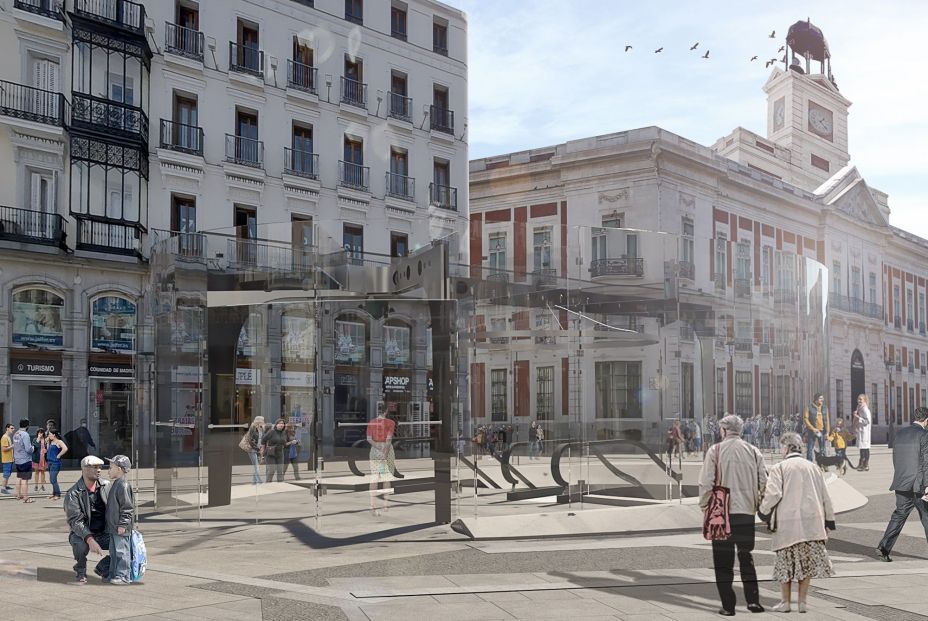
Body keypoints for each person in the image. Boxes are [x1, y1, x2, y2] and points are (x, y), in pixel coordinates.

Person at [698, 414, 767, 616]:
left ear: (724, 430)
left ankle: (728, 606)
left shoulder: (715, 450)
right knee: (746, 557)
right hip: (746, 512)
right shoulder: (754, 451)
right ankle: (753, 602)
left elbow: (706, 483)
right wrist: (760, 505)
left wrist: (705, 507)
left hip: (722, 515)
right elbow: (764, 482)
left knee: (723, 562)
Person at [759, 431, 836, 613]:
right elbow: (826, 496)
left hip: (788, 524)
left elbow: (773, 494)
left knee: (785, 564)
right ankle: (802, 602)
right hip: (811, 523)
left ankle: (785, 602)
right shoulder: (813, 467)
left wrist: (763, 512)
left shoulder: (780, 467)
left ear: (785, 447)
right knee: (806, 564)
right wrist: (829, 521)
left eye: (781, 446)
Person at [875, 406, 928, 562]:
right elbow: (926, 462)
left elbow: (896, 458)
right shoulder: (924, 435)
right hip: (919, 485)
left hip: (901, 482)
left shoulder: (900, 434)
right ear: (926, 420)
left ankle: (883, 548)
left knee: (899, 516)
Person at [64, 456, 111, 584]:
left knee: (128, 543)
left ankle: (104, 567)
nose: (99, 470)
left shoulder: (107, 486)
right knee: (80, 544)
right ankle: (80, 569)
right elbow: (75, 521)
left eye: (100, 467)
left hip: (105, 532)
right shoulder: (73, 493)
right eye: (95, 467)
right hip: (83, 534)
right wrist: (90, 539)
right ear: (84, 469)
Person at [104, 455, 134, 585]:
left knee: (122, 552)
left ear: (120, 469)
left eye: (111, 468)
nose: (109, 470)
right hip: (114, 527)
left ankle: (123, 576)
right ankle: (114, 573)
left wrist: (122, 524)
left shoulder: (123, 485)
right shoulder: (116, 484)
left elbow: (127, 508)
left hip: (120, 527)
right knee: (114, 552)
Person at [367, 402, 396, 515]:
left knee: (374, 477)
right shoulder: (391, 423)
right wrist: (384, 453)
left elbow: (369, 439)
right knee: (386, 477)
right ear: (386, 411)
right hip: (386, 450)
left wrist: (377, 446)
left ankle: (372, 505)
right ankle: (385, 505)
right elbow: (388, 440)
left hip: (374, 451)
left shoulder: (371, 422)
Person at [802, 394, 830, 462]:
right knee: (810, 448)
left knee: (823, 448)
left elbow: (827, 420)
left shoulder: (825, 408)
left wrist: (827, 432)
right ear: (816, 399)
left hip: (822, 431)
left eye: (822, 398)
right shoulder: (809, 407)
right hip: (812, 431)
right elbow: (805, 419)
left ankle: (824, 464)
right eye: (820, 398)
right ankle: (809, 463)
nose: (822, 400)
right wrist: (812, 428)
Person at [12, 419, 35, 503]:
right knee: (25, 479)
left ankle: (18, 495)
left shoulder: (16, 434)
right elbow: (28, 449)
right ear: (27, 426)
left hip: (17, 459)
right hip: (25, 459)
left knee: (19, 477)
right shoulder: (25, 435)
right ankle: (25, 497)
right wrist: (33, 448)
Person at [261, 418, 288, 483]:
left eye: (283, 424)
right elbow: (263, 440)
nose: (281, 425)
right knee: (271, 470)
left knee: (280, 470)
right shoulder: (272, 432)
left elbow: (284, 443)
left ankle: (280, 484)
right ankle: (268, 483)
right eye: (280, 423)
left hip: (280, 453)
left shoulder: (284, 433)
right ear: (276, 425)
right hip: (271, 453)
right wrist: (262, 452)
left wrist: (292, 442)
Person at [241, 416, 265, 485]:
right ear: (258, 421)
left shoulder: (261, 428)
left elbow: (261, 438)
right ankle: (259, 481)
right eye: (262, 420)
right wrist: (257, 448)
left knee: (256, 466)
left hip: (257, 449)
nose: (263, 422)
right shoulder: (253, 428)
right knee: (256, 466)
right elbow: (249, 440)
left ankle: (254, 482)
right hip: (252, 449)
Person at [852, 394, 872, 471]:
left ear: (864, 400)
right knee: (861, 448)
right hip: (861, 431)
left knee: (865, 449)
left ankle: (866, 464)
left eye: (861, 399)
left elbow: (867, 421)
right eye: (858, 399)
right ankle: (861, 464)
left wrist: (858, 417)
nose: (859, 401)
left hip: (865, 432)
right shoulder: (859, 408)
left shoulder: (865, 409)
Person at [47, 429, 68, 500]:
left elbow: (65, 449)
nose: (49, 435)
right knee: (52, 479)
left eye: (50, 434)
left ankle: (58, 494)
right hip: (50, 462)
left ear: (54, 435)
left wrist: (59, 455)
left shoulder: (59, 442)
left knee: (53, 479)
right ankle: (54, 493)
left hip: (55, 463)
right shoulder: (51, 442)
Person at [33, 428, 48, 494]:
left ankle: (42, 485)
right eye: (39, 433)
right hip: (37, 458)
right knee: (36, 472)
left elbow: (48, 448)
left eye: (41, 433)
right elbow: (34, 447)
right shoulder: (34, 439)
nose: (40, 434)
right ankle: (36, 485)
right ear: (37, 433)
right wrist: (38, 439)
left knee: (42, 472)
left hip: (43, 458)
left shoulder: (45, 440)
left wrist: (46, 450)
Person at [1, 423, 14, 494]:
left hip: (10, 459)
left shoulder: (8, 437)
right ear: (7, 428)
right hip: (6, 459)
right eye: (12, 428)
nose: (13, 430)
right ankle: (3, 488)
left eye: (13, 428)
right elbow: (3, 449)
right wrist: (12, 446)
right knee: (6, 474)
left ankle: (5, 486)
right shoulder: (5, 437)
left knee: (8, 473)